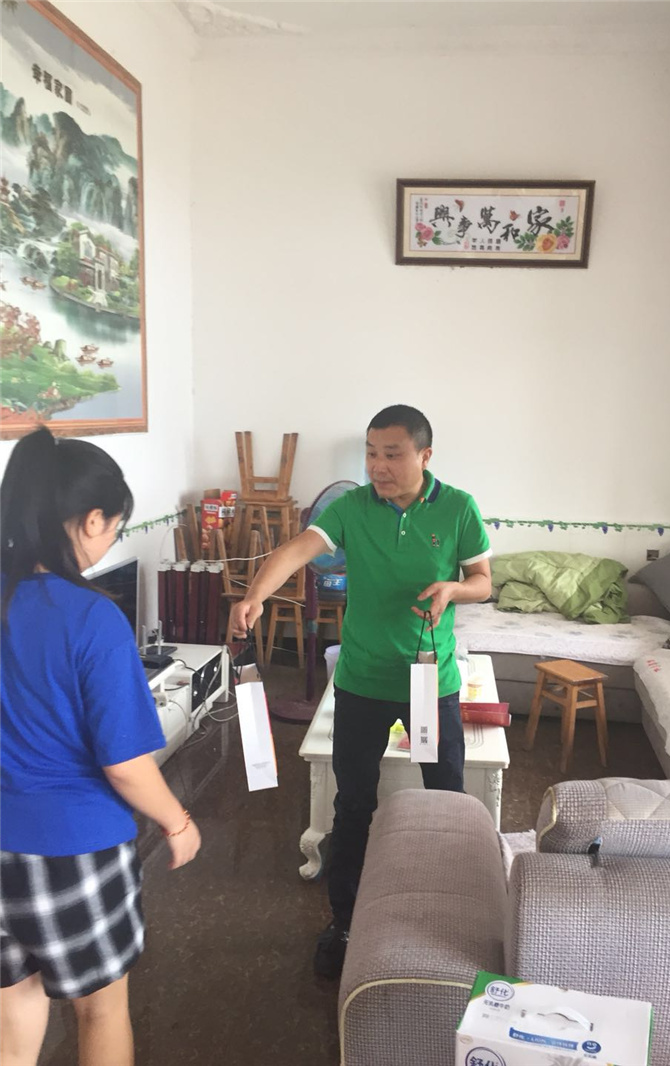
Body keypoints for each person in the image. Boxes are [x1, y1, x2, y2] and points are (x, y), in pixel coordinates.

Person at [231, 404, 491, 979]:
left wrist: (452, 589)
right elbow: (296, 550)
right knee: (352, 806)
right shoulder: (351, 508)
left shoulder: (458, 508)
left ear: (424, 455)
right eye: (371, 454)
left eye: (392, 454)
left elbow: (482, 581)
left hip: (430, 682)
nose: (378, 466)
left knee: (444, 802)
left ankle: (445, 917)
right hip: (361, 683)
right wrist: (255, 596)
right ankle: (344, 922)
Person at [0, 428, 201, 1066]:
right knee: (101, 1010)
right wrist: (179, 822)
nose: (109, 541)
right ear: (90, 520)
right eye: (113, 529)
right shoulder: (92, 618)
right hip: (74, 847)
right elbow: (125, 764)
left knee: (12, 1010)